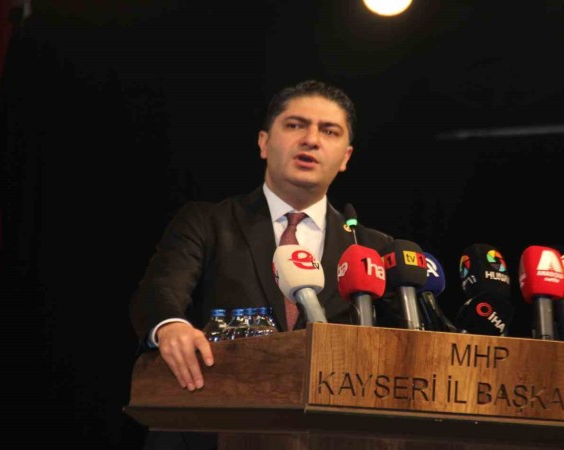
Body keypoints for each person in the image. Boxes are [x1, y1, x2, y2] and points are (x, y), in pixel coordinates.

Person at [129, 79, 394, 396]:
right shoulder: (207, 222)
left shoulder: (371, 248)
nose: (311, 140)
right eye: (295, 125)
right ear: (264, 142)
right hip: (219, 405)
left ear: (346, 157)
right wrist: (171, 325)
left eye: (329, 131)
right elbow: (160, 289)